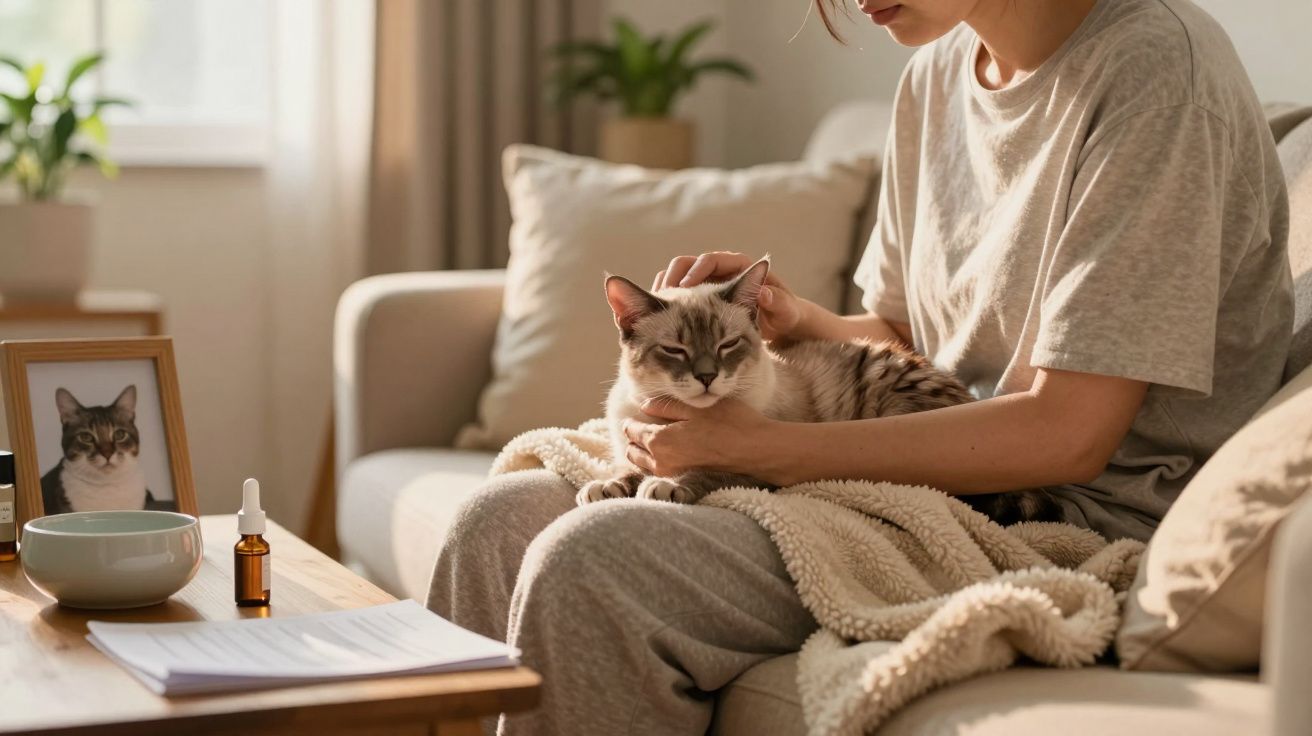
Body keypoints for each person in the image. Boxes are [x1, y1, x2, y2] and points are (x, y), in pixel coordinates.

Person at [429, 0, 1292, 733]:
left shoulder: (1153, 70)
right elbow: (907, 332)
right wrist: (798, 319)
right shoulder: (936, 74)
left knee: (599, 559)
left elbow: (1067, 435)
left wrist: (760, 447)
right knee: (494, 524)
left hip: (1054, 511)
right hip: (914, 458)